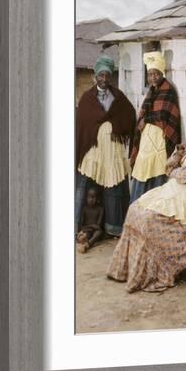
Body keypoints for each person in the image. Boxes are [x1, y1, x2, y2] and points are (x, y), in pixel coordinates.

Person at [107, 101, 186, 293]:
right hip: (178, 190)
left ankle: (154, 271)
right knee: (136, 208)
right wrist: (181, 148)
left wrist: (175, 171)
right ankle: (127, 271)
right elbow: (169, 166)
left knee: (150, 220)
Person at [75, 55, 136, 237]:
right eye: (101, 75)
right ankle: (78, 226)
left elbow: (130, 115)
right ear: (95, 76)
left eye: (107, 75)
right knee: (84, 186)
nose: (104, 79)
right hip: (92, 151)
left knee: (114, 186)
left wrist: (119, 126)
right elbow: (82, 124)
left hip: (112, 151)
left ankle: (113, 227)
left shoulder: (117, 96)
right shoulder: (87, 98)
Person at [129, 51, 181, 203]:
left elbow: (165, 116)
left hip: (160, 141)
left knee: (157, 176)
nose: (153, 77)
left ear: (161, 73)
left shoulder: (169, 91)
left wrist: (147, 119)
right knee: (142, 173)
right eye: (150, 74)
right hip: (146, 143)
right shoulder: (150, 92)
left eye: (156, 74)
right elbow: (144, 115)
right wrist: (142, 121)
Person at [76, 186, 104, 253]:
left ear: (98, 199)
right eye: (89, 197)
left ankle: (87, 245)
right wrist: (92, 226)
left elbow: (98, 226)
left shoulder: (100, 209)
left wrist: (91, 227)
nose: (91, 199)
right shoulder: (84, 208)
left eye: (93, 197)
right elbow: (81, 226)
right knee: (83, 235)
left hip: (95, 232)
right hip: (87, 231)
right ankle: (85, 241)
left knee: (99, 232)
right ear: (86, 197)